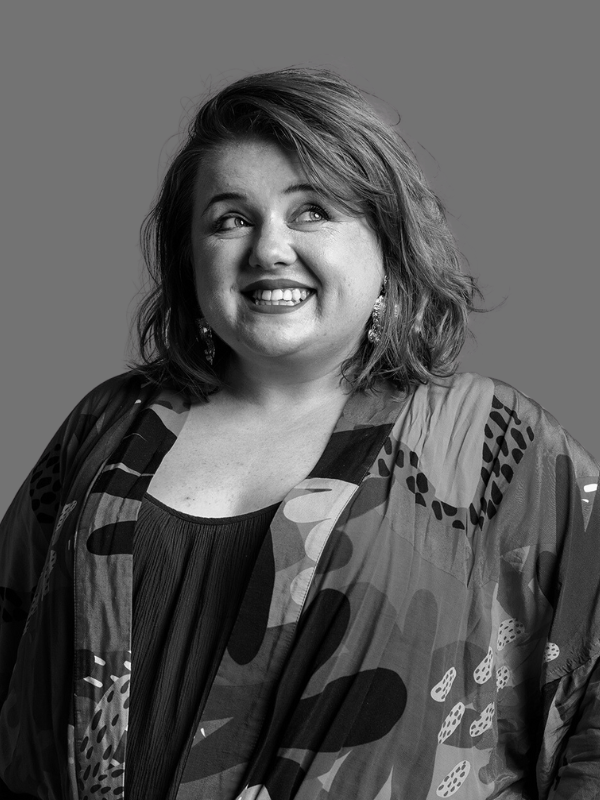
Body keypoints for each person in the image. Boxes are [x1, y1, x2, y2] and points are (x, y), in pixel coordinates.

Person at [0, 67, 598, 800]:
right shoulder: (110, 423)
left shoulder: (492, 444)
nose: (269, 249)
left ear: (389, 249)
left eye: (312, 211)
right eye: (230, 219)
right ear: (191, 260)